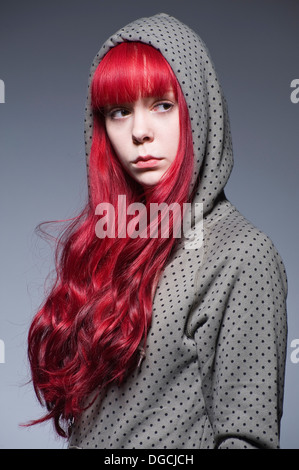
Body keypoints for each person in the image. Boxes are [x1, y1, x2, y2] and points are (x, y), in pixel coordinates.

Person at [27, 13, 288, 449]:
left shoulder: (244, 254)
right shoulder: (112, 240)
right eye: (119, 111)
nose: (139, 132)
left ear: (198, 110)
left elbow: (248, 438)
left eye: (162, 105)